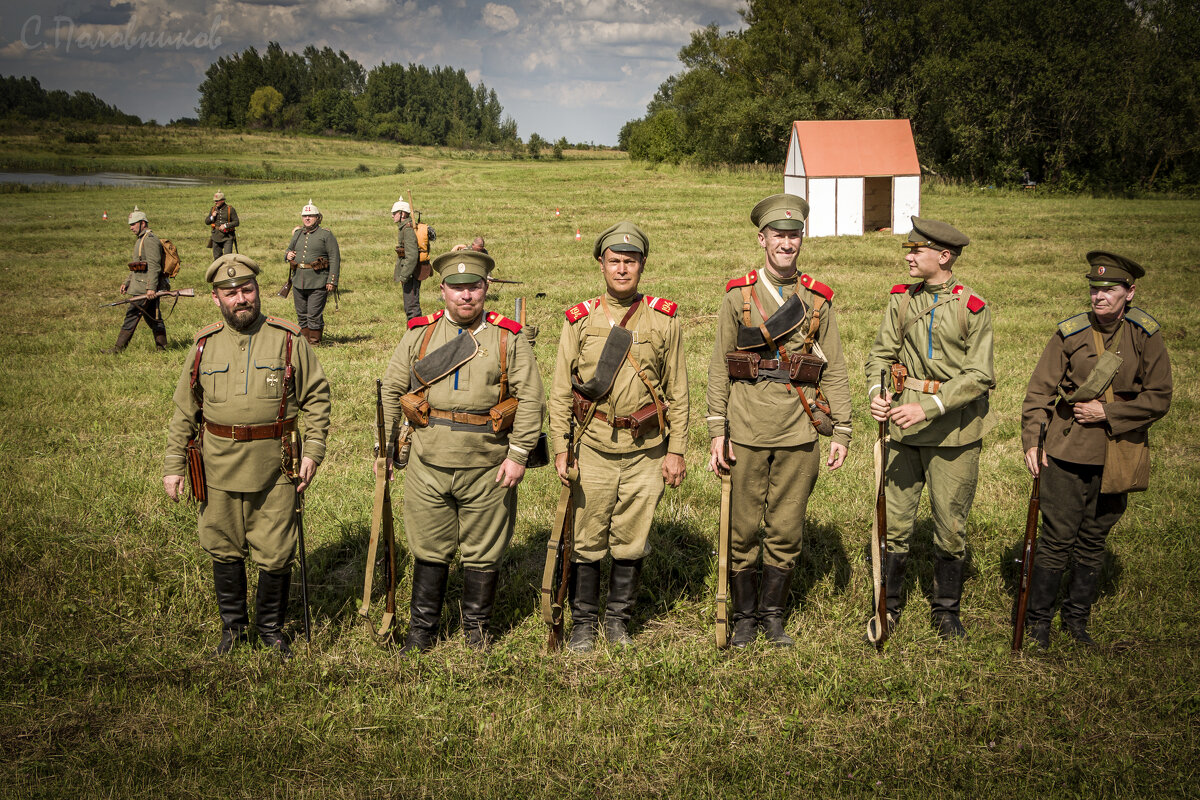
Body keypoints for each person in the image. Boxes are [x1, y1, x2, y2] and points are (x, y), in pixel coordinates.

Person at [162, 253, 331, 657]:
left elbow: (318, 399)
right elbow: (185, 410)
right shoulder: (203, 346)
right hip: (217, 468)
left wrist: (314, 451)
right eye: (231, 293)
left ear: (257, 291)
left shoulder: (288, 339)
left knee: (276, 552)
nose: (242, 299)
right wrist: (173, 466)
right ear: (216, 299)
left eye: (247, 290)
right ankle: (234, 629)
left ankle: (271, 629)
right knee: (222, 547)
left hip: (276, 469)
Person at [706, 194, 852, 648]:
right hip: (746, 428)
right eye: (778, 236)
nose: (786, 243)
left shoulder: (818, 299)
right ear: (762, 239)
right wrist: (717, 430)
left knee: (787, 527)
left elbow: (837, 368)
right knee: (743, 526)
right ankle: (744, 617)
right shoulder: (738, 295)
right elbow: (718, 365)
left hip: (799, 430)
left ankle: (773, 617)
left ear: (801, 239)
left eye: (794, 235)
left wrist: (842, 430)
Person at [381, 249, 544, 653]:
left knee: (484, 550)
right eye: (457, 288)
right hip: (427, 461)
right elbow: (391, 389)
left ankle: (476, 631)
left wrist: (518, 454)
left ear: (486, 289)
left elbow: (530, 399)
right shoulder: (419, 334)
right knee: (428, 546)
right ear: (442, 291)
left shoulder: (508, 338)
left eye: (473, 287)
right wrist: (386, 449)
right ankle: (422, 630)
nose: (465, 296)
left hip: (488, 463)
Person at [547, 221, 689, 652]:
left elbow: (679, 391)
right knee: (587, 537)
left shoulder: (664, 319)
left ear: (642, 265)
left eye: (630, 261)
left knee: (632, 537)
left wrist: (677, 449)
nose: (622, 269)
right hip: (592, 444)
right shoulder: (579, 319)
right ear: (601, 264)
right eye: (615, 261)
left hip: (647, 447)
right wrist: (560, 447)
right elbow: (559, 391)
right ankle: (583, 625)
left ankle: (618, 621)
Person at [1019, 251, 1171, 648]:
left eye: (1109, 289)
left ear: (1129, 292)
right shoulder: (1070, 333)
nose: (1099, 296)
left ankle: (1077, 619)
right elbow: (1039, 392)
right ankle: (1039, 621)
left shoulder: (1145, 334)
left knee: (1093, 538)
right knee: (1056, 538)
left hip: (1119, 452)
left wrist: (1110, 412)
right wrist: (1032, 443)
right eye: (1094, 288)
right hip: (1066, 450)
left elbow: (1159, 398)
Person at [865, 216, 995, 639]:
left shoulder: (971, 307)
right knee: (895, 522)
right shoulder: (901, 300)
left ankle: (945, 611)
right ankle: (890, 606)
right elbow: (880, 355)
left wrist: (930, 406)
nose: (907, 256)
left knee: (950, 524)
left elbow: (979, 375)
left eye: (915, 250)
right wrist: (877, 392)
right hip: (902, 429)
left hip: (953, 432)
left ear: (943, 256)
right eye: (908, 249)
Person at [106, 206, 169, 353]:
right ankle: (162, 348)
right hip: (142, 285)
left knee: (132, 316)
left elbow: (154, 266)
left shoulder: (150, 240)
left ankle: (118, 349)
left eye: (133, 224)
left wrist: (151, 288)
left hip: (145, 287)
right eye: (130, 225)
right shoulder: (141, 240)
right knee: (153, 318)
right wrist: (127, 283)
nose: (131, 228)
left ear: (143, 223)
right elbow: (137, 266)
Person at [284, 200, 340, 345]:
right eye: (305, 216)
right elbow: (289, 250)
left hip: (318, 280)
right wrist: (288, 255)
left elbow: (334, 258)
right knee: (301, 314)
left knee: (314, 314)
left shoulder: (325, 235)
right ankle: (304, 342)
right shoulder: (297, 234)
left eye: (311, 216)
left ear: (317, 217)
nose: (307, 219)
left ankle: (314, 342)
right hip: (298, 280)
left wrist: (331, 280)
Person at [392, 198, 422, 320]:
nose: (392, 216)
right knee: (410, 307)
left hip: (411, 274)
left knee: (412, 308)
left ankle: (416, 336)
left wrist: (404, 276)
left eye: (395, 213)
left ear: (402, 214)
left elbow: (412, 256)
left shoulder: (408, 230)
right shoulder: (404, 227)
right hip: (409, 273)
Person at [205, 191, 239, 261]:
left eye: (217, 201)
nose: (215, 202)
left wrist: (226, 225)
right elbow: (207, 222)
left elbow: (236, 222)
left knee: (228, 258)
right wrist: (212, 217)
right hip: (216, 237)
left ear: (222, 201)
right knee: (217, 258)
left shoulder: (230, 209)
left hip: (227, 237)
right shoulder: (213, 209)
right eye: (215, 201)